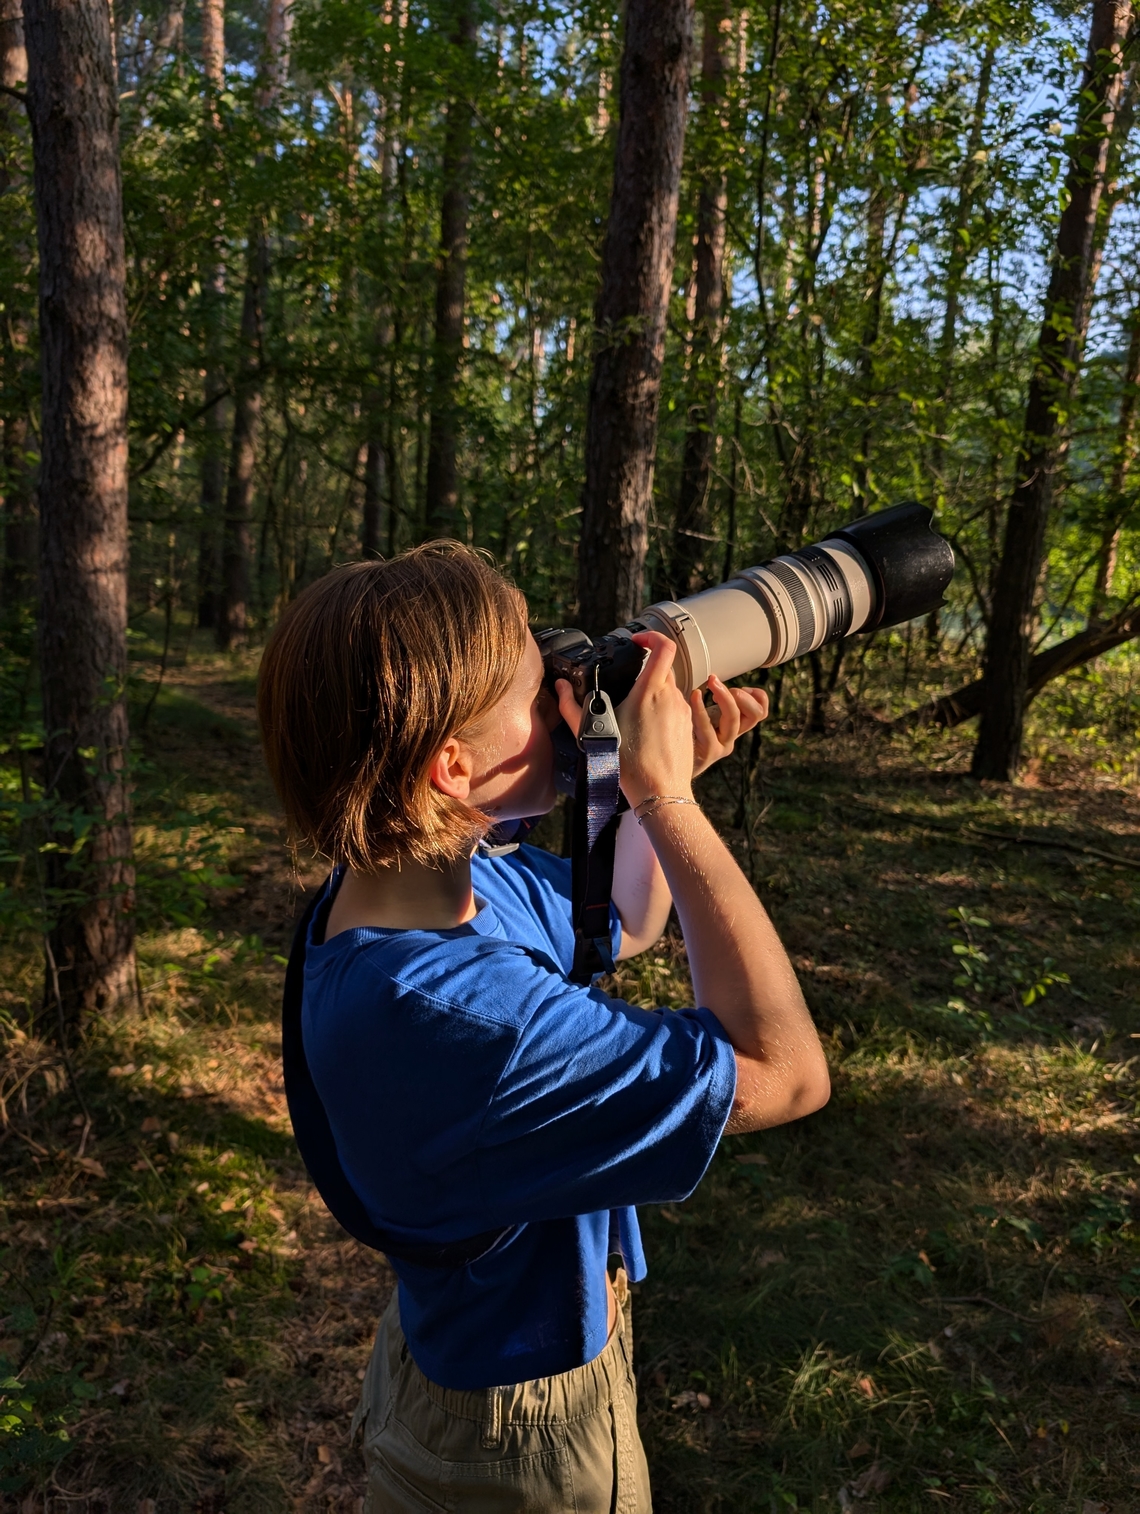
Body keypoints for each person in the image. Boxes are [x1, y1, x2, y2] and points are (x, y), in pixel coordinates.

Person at [257, 542, 830, 1513]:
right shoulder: (455, 1015)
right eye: (540, 687)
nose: (572, 695)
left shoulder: (423, 888)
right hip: (519, 1438)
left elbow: (630, 919)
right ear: (452, 768)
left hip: (461, 1359)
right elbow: (785, 1068)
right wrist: (666, 798)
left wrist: (664, 774)